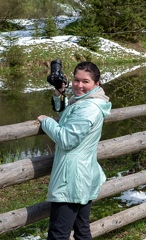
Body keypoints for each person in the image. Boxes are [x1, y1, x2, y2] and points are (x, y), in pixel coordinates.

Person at [37, 61, 112, 240]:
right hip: (84, 174)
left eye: (85, 82)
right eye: (76, 80)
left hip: (71, 179)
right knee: (82, 230)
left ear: (97, 83)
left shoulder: (89, 108)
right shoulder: (87, 101)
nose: (79, 85)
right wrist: (59, 93)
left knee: (58, 235)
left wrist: (46, 121)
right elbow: (67, 114)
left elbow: (67, 139)